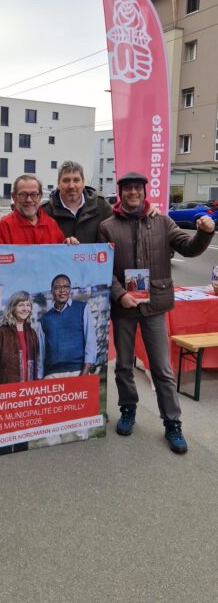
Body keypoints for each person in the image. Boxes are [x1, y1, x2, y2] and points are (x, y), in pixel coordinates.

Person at [98, 171, 215, 454]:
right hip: (124, 307)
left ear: (144, 191)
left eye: (138, 188)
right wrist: (120, 294)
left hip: (155, 306)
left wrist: (204, 232)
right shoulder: (108, 226)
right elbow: (104, 267)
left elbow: (188, 249)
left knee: (162, 369)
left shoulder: (162, 221)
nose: (133, 193)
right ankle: (128, 409)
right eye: (128, 189)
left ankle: (172, 423)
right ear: (121, 192)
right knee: (124, 365)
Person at [0, 291, 38, 454]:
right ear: (12, 307)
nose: (25, 308)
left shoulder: (32, 333)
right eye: (21, 304)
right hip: (6, 395)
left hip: (27, 394)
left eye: (28, 305)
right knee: (5, 442)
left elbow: (36, 363)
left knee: (23, 440)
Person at [37, 274, 97, 377]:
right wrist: (40, 378)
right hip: (51, 375)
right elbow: (41, 353)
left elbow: (90, 342)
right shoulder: (44, 319)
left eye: (66, 286)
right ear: (52, 292)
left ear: (70, 290)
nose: (62, 290)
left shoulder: (82, 308)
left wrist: (84, 372)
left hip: (78, 372)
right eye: (57, 287)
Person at [41, 161, 113, 241]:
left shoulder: (102, 206)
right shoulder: (44, 212)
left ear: (83, 183)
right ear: (58, 183)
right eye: (66, 180)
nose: (71, 186)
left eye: (76, 180)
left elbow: (114, 237)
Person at [0, 174, 72, 245]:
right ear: (14, 197)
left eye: (34, 194)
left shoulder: (52, 225)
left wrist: (68, 245)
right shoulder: (2, 228)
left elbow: (60, 258)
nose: (29, 200)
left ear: (40, 196)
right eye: (23, 194)